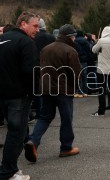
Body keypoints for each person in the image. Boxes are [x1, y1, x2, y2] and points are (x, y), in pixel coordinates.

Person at [24, 24, 82, 163]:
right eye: (74, 36)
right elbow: (76, 73)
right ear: (70, 37)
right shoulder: (70, 50)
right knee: (66, 118)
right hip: (63, 90)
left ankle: (33, 141)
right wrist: (75, 88)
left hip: (45, 88)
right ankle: (66, 147)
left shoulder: (46, 49)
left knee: (44, 117)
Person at [0, 12, 40, 180]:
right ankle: (7, 173)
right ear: (23, 24)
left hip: (3, 95)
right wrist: (33, 94)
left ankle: (11, 169)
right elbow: (31, 72)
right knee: (16, 135)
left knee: (15, 133)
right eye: (35, 26)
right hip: (18, 96)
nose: (37, 30)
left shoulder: (3, 38)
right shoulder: (26, 43)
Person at [91, 26, 110, 116]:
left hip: (102, 70)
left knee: (102, 90)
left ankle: (101, 111)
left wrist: (97, 44)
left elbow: (94, 50)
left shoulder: (102, 41)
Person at [74, 30, 91, 97]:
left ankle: (79, 91)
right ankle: (85, 91)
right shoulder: (86, 41)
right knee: (84, 76)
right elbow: (88, 50)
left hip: (78, 60)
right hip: (85, 60)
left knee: (78, 76)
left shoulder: (75, 42)